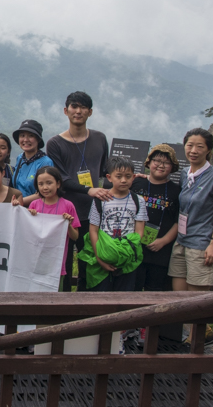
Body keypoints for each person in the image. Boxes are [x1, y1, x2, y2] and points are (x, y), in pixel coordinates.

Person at [46, 91, 112, 291]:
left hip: (92, 214)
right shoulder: (55, 143)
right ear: (66, 111)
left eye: (83, 107)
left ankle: (85, 311)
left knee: (89, 264)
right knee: (63, 265)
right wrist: (90, 190)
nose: (78, 111)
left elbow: (106, 172)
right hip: (63, 213)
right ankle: (62, 310)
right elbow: (62, 180)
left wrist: (130, 179)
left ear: (90, 112)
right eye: (74, 106)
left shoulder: (100, 138)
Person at [169, 128, 213, 348]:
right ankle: (204, 335)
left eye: (199, 146)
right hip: (182, 241)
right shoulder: (186, 174)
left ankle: (196, 346)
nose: (193, 151)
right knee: (180, 298)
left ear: (209, 150)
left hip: (202, 244)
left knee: (198, 302)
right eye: (189, 145)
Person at [82, 156, 147, 292]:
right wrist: (100, 258)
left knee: (124, 294)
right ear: (109, 177)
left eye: (128, 176)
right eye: (119, 176)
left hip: (127, 256)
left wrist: (127, 252)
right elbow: (93, 230)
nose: (123, 180)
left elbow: (139, 231)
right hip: (104, 252)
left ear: (133, 177)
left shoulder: (138, 200)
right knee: (101, 293)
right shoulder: (100, 200)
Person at [131, 144, 181, 292]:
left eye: (166, 162)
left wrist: (164, 241)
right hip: (135, 248)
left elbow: (179, 221)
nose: (160, 165)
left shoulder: (176, 191)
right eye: (157, 160)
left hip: (160, 252)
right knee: (132, 290)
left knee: (156, 292)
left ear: (172, 167)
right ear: (149, 162)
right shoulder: (137, 183)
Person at [21, 166, 79, 289]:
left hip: (56, 264)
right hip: (35, 262)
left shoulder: (68, 206)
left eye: (49, 183)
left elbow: (75, 236)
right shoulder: (34, 205)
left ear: (58, 183)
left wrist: (68, 225)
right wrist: (30, 218)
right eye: (40, 184)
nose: (45, 187)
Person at [11, 120, 55, 207]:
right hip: (18, 208)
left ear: (38, 139)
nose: (25, 140)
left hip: (36, 211)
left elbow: (44, 192)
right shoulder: (20, 158)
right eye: (22, 135)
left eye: (31, 136)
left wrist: (19, 201)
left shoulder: (45, 162)